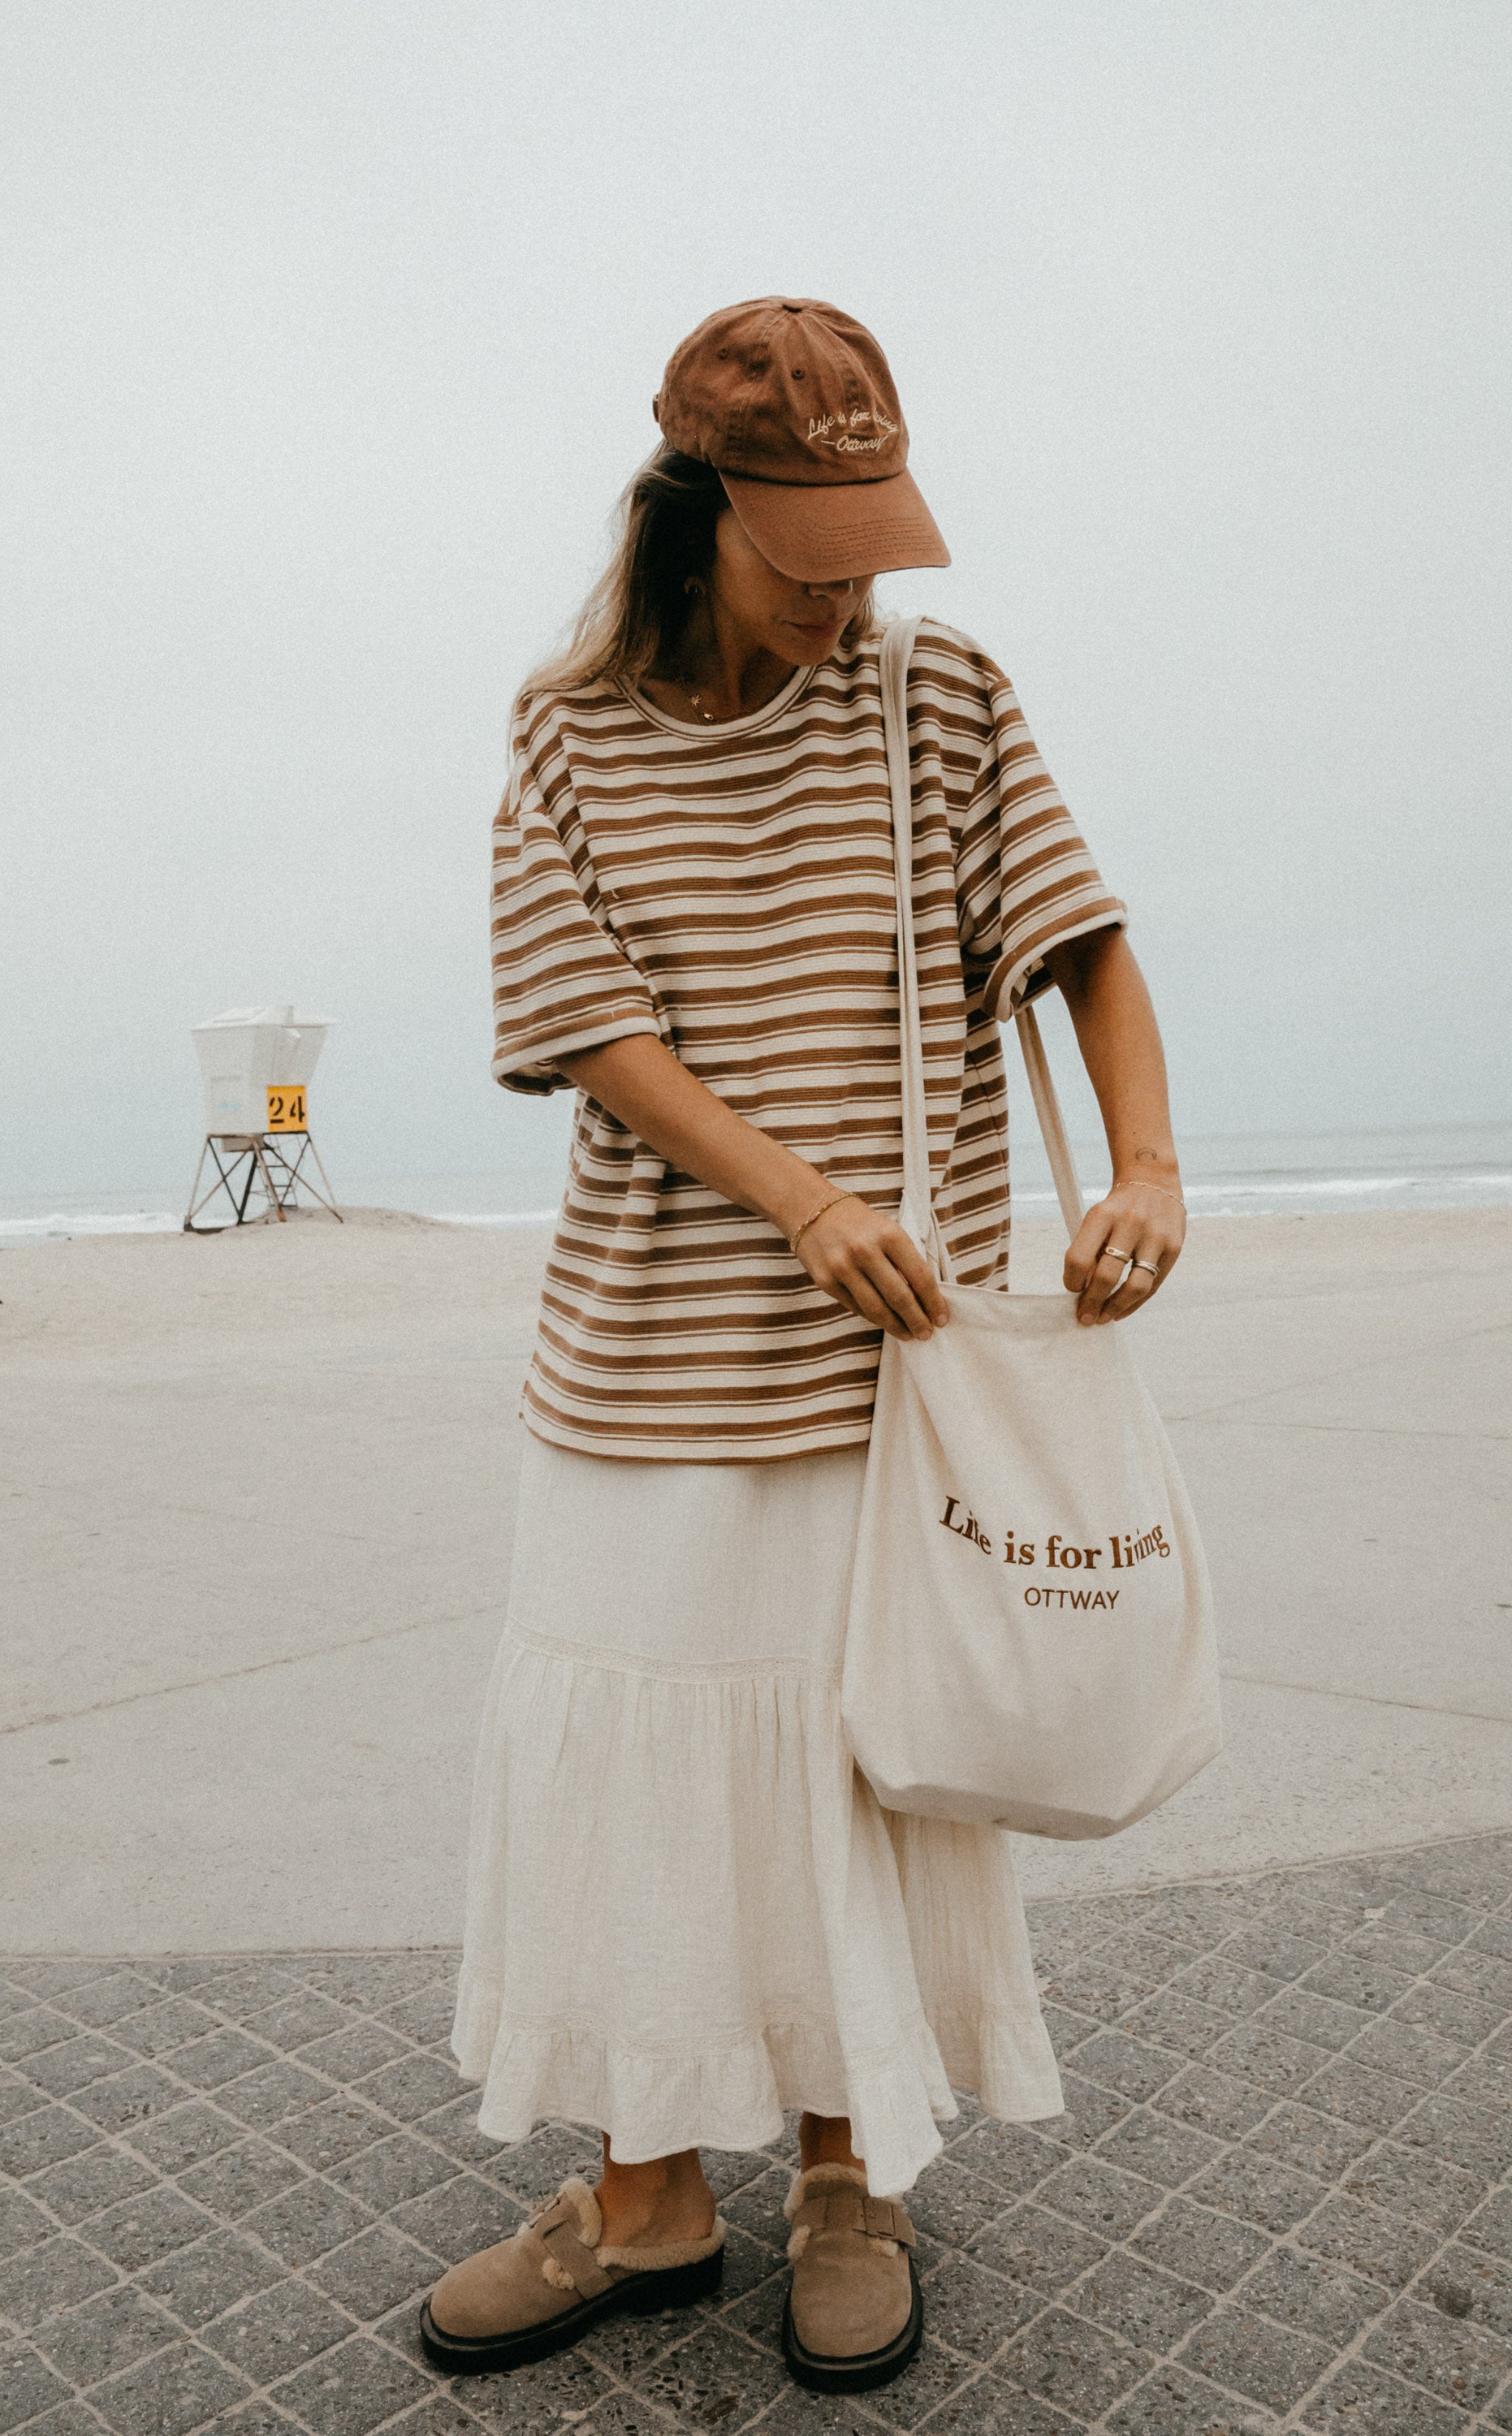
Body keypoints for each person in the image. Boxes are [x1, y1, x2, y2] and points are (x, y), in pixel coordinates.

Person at [419, 296, 1186, 2395]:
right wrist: (808, 1198)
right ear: (700, 499)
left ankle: (853, 2176)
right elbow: (594, 1034)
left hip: (893, 1375)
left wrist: (1148, 1171)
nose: (854, 564)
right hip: (643, 1360)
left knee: (863, 1773)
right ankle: (648, 2196)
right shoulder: (566, 731)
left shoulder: (940, 695)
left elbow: (1083, 945)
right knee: (633, 1787)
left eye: (876, 514)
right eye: (810, 524)